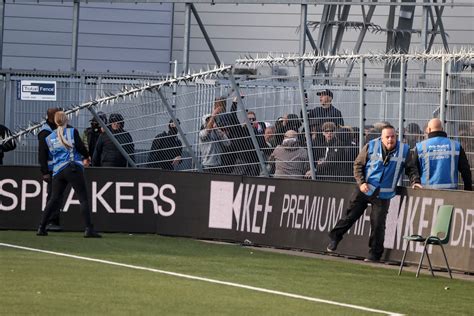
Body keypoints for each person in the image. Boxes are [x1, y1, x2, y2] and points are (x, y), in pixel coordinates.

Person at [326, 124, 421, 262]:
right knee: (350, 217)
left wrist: (415, 181)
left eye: (393, 137)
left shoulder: (404, 151)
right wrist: (362, 182)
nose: (390, 140)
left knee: (378, 225)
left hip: (383, 195)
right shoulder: (371, 146)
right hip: (365, 189)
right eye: (387, 137)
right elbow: (358, 164)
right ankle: (335, 238)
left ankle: (374, 255)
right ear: (381, 138)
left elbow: (411, 168)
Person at [36, 111, 101, 238]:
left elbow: (47, 154)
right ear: (66, 120)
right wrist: (87, 156)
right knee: (83, 198)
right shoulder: (72, 132)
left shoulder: (49, 137)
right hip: (72, 168)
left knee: (53, 199)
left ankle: (41, 227)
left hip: (58, 170)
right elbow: (81, 147)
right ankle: (88, 229)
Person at [411, 118, 472, 191]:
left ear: (429, 130)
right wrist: (468, 189)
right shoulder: (455, 145)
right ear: (442, 129)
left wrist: (416, 181)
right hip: (451, 192)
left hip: (427, 193)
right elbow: (465, 170)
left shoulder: (421, 147)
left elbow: (413, 169)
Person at [38, 107, 64, 231]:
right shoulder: (45, 132)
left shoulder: (56, 129)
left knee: (57, 196)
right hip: (52, 169)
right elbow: (42, 153)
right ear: (52, 116)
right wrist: (45, 172)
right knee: (53, 196)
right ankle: (49, 221)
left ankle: (53, 221)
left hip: (59, 167)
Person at [199, 105, 231, 172]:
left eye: (213, 120)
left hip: (218, 165)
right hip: (207, 165)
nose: (212, 121)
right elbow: (207, 131)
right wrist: (213, 115)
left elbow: (228, 143)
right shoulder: (202, 133)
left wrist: (217, 129)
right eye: (209, 120)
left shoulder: (217, 132)